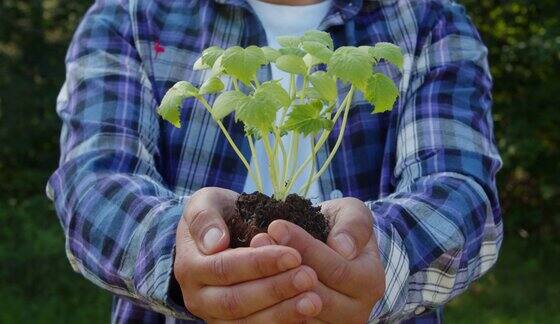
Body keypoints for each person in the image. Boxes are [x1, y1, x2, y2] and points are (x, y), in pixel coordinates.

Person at [47, 0, 503, 322]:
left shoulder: (431, 20)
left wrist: (376, 257)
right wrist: (183, 251)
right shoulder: (128, 14)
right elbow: (93, 181)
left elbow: (460, 190)